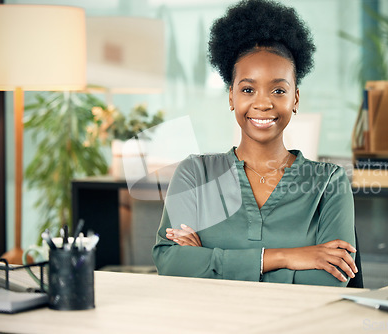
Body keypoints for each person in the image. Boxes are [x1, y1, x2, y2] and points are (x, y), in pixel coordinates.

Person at [152, 0, 358, 287]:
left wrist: (207, 261)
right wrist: (283, 257)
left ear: (295, 99)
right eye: (248, 89)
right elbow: (170, 262)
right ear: (231, 97)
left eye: (278, 90)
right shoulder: (195, 174)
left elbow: (328, 281)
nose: (262, 103)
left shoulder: (329, 182)